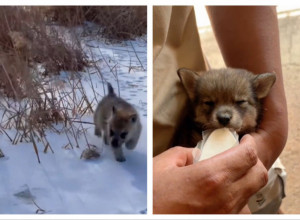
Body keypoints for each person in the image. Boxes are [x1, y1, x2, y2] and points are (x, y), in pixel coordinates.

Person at [153, 6, 288, 214]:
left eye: (240, 103)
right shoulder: (189, 135)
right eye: (209, 104)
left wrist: (272, 135)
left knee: (268, 201)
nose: (224, 114)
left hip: (256, 156)